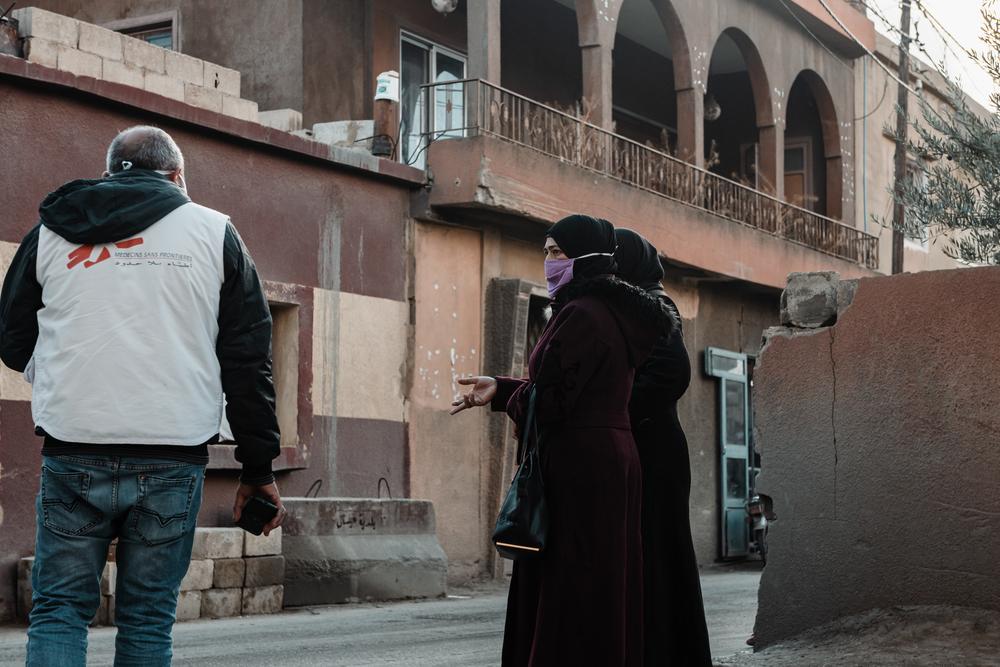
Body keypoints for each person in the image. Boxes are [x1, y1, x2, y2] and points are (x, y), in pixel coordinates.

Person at [0, 126, 285, 667]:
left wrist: (67, 370)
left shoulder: (53, 231)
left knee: (59, 610)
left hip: (73, 447)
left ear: (110, 172)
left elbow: (12, 342)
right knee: (147, 618)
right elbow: (248, 363)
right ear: (178, 177)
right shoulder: (213, 231)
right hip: (172, 456)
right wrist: (258, 467)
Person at [451, 215, 675, 666]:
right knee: (602, 581)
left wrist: (513, 397)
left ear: (586, 257)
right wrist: (504, 388)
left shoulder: (581, 314)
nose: (549, 262)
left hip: (578, 464)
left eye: (557, 252)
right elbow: (575, 387)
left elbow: (553, 401)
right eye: (547, 252)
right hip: (611, 457)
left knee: (570, 583)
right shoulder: (616, 313)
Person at [614, 228, 712, 666]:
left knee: (660, 555)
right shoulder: (628, 306)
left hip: (656, 450)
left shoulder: (655, 305)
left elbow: (672, 374)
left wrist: (610, 408)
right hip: (644, 444)